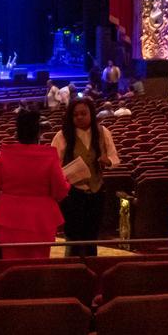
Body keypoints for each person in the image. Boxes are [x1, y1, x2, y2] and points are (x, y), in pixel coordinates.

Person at [0, 108, 71, 260]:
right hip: (41, 217)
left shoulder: (4, 155)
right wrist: (67, 181)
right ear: (38, 133)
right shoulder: (49, 156)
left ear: (17, 133)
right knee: (38, 264)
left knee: (11, 263)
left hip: (8, 216)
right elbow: (60, 191)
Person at [51, 97, 119, 257]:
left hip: (96, 192)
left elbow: (114, 157)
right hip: (73, 194)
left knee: (92, 235)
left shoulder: (103, 132)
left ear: (91, 114)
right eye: (75, 115)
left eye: (83, 113)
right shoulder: (62, 136)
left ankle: (91, 265)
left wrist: (108, 161)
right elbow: (54, 164)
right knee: (73, 236)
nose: (79, 117)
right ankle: (73, 266)